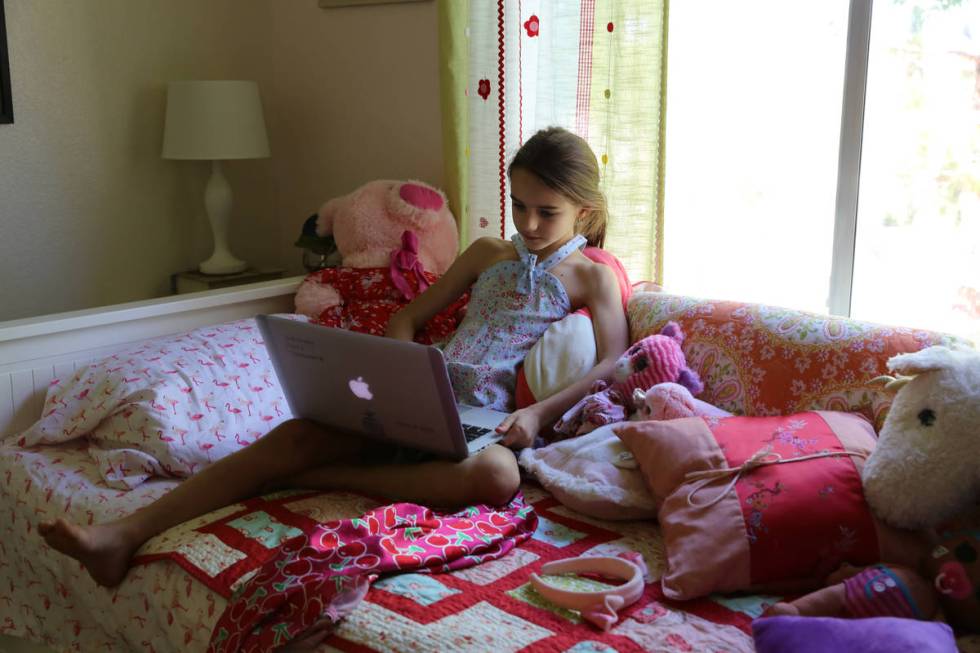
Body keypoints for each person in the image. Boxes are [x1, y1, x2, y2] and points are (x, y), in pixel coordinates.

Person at [38, 126, 630, 589]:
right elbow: (408, 317)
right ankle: (121, 534)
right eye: (518, 204)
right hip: (425, 395)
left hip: (487, 421)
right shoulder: (486, 253)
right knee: (298, 430)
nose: (526, 223)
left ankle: (314, 478)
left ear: (582, 209)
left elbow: (612, 363)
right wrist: (402, 375)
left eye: (545, 212)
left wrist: (536, 415)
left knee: (499, 477)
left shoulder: (590, 279)